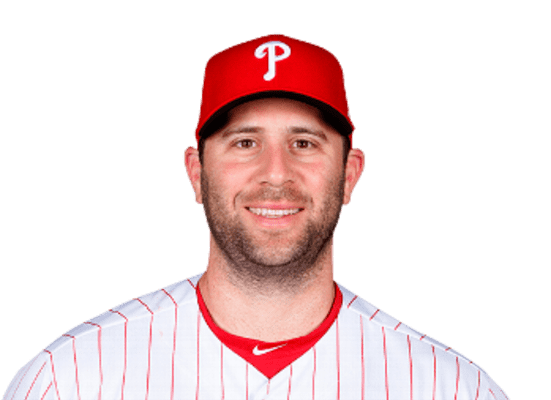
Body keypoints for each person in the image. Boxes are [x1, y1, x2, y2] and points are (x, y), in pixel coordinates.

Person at [4, 33, 509, 400]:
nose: (276, 173)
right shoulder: (70, 378)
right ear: (196, 173)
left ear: (350, 175)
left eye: (304, 143)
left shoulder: (451, 387)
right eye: (245, 142)